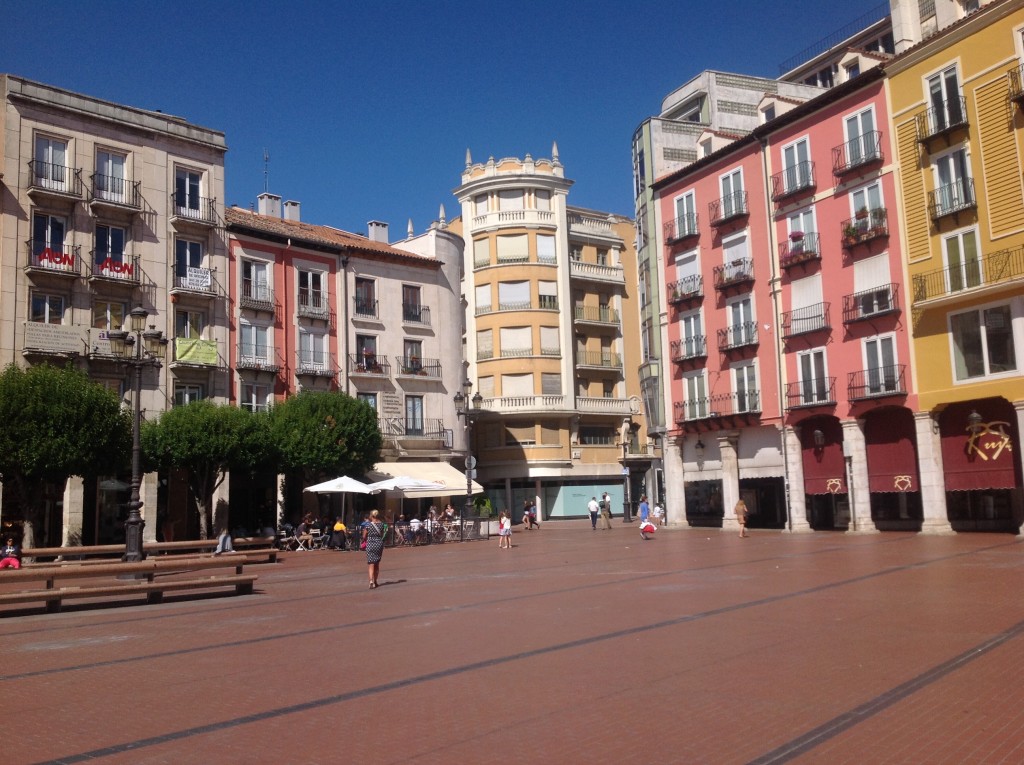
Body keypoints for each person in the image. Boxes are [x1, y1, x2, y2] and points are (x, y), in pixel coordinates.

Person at [362, 509, 386, 589]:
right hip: (379, 544)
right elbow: (383, 534)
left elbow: (364, 536)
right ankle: (375, 581)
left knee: (371, 564)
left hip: (370, 544)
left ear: (371, 516)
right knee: (377, 564)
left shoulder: (368, 525)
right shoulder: (381, 524)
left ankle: (371, 581)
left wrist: (365, 539)